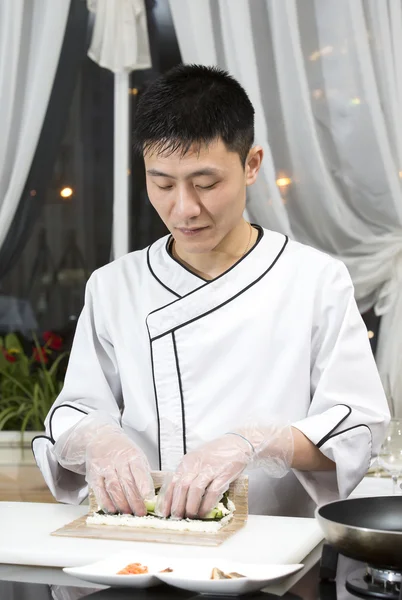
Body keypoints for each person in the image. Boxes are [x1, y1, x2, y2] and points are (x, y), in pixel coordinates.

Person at [32, 64, 390, 519]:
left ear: (252, 165)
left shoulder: (316, 281)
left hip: (271, 550)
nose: (184, 208)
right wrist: (97, 440)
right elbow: (73, 412)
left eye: (206, 184)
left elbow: (356, 431)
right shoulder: (113, 286)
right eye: (161, 183)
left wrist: (259, 442)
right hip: (139, 546)